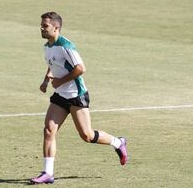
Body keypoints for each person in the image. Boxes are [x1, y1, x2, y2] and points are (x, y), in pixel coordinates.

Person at [30, 12, 128, 185]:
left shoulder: (66, 46)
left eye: (45, 25)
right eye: (41, 25)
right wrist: (46, 80)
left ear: (56, 27)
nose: (41, 28)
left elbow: (80, 68)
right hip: (60, 96)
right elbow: (53, 65)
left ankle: (118, 142)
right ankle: (47, 173)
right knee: (48, 130)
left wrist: (60, 80)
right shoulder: (47, 46)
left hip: (76, 96)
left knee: (87, 136)